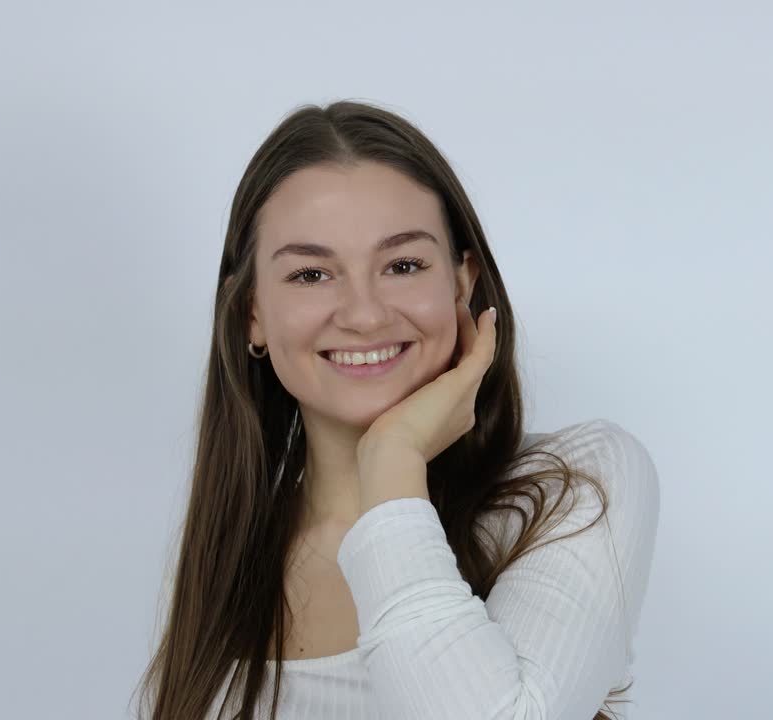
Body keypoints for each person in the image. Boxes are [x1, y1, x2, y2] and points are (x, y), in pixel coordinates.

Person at [133, 100, 660, 720]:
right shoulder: (230, 557)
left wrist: (392, 462)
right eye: (310, 274)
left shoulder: (575, 484)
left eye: (403, 265)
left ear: (461, 283)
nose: (365, 313)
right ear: (252, 312)